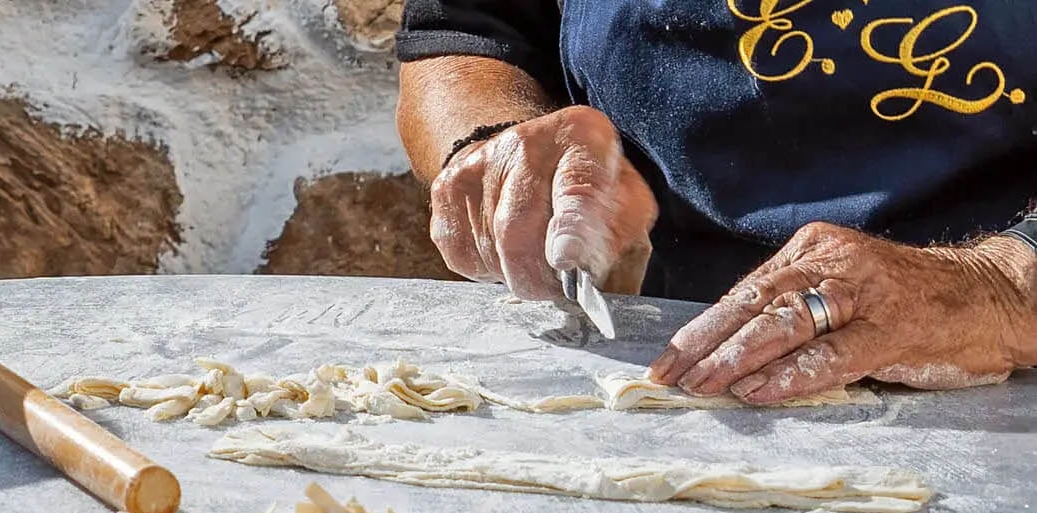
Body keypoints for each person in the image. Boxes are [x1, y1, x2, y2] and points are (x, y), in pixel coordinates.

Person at [394, 0, 1037, 404]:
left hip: (1002, 380)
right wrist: (494, 144)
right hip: (692, 359)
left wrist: (1000, 288)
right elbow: (467, 30)